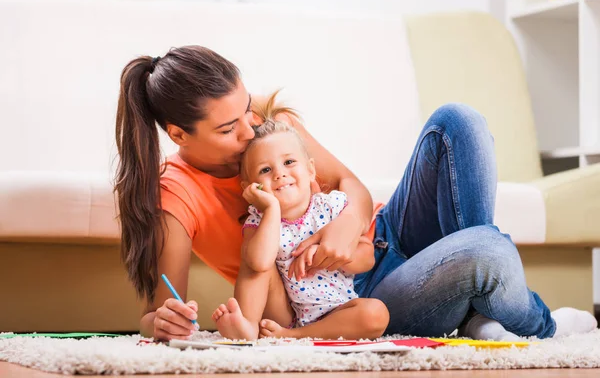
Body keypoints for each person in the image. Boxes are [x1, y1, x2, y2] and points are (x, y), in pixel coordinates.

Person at [114, 45, 597, 342]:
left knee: (459, 121)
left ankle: (473, 310)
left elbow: (353, 189)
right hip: (354, 300)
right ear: (179, 134)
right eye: (228, 127)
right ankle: (539, 326)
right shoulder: (174, 195)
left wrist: (344, 228)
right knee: (489, 250)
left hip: (384, 235)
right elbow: (158, 311)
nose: (251, 129)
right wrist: (163, 323)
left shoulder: (263, 124)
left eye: (247, 109)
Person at [211, 97, 389, 340]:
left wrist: (329, 255)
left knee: (376, 314)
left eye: (289, 162)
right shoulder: (259, 220)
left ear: (311, 170)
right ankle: (246, 326)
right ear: (250, 187)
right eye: (265, 170)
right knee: (258, 264)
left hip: (339, 309)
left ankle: (295, 335)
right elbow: (257, 261)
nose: (280, 173)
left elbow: (367, 256)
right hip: (286, 312)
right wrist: (271, 209)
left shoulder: (330, 206)